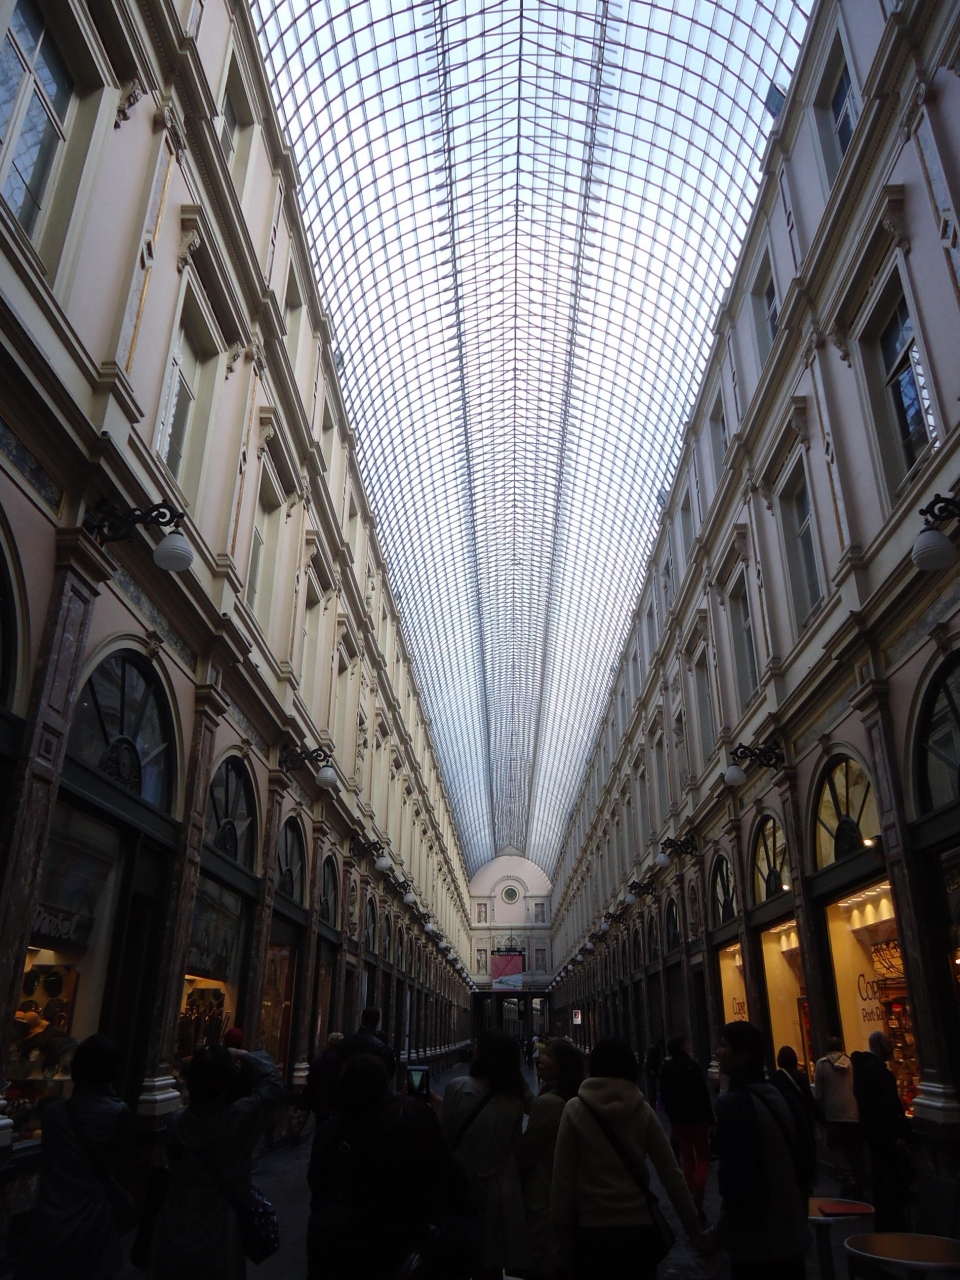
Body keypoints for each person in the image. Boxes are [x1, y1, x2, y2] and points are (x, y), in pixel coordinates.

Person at [308, 1052, 474, 1279]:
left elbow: (316, 1179)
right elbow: (459, 1196)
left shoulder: (330, 1229)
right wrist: (435, 1132)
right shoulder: (446, 1240)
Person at [551, 1037, 705, 1280]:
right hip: (638, 1231)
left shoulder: (575, 1110)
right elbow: (671, 1174)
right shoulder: (643, 1110)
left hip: (591, 1231)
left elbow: (562, 1178)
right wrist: (693, 1228)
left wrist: (558, 1235)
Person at [147, 1045, 283, 1279]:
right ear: (226, 1086)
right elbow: (273, 1083)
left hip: (173, 1228)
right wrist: (244, 1055)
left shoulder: (177, 1123)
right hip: (220, 1233)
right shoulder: (237, 1120)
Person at [701, 1022, 810, 1280]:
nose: (717, 1052)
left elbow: (737, 1183)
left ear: (743, 1055)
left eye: (723, 1046)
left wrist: (718, 1234)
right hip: (792, 1238)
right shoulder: (782, 1095)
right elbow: (805, 1164)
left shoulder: (734, 1106)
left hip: (757, 1246)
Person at [19, 1034, 133, 1280]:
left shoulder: (52, 1113)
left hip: (50, 1217)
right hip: (93, 1218)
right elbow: (120, 1159)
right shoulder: (116, 1112)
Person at [442, 1028, 531, 1280]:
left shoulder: (457, 1088)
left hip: (460, 1188)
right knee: (491, 1260)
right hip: (498, 1192)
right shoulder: (513, 1103)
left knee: (459, 1255)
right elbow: (516, 1149)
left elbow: (446, 1139)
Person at [516, 1038, 586, 1278]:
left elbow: (526, 1152)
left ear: (563, 1065)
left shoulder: (550, 1102)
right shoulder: (569, 1096)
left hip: (544, 1199)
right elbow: (540, 1108)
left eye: (550, 1056)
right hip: (569, 1198)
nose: (541, 1059)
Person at [852, 1031, 910, 1231]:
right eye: (887, 1043)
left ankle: (885, 1223)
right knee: (889, 1183)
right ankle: (892, 1225)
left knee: (882, 1182)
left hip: (876, 1136)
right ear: (876, 1045)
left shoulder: (865, 1069)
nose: (891, 1046)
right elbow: (885, 1107)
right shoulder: (876, 1071)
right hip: (886, 1139)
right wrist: (896, 1134)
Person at [657, 1034, 713, 1223]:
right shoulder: (693, 1066)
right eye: (686, 1043)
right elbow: (703, 1093)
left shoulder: (666, 1068)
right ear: (682, 1047)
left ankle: (690, 1195)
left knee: (688, 1159)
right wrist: (710, 1118)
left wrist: (671, 1115)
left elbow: (664, 1094)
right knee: (704, 1156)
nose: (689, 1045)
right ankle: (698, 1189)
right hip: (697, 1118)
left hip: (678, 1121)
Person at [814, 1035, 862, 1197]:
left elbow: (819, 1093)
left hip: (833, 1114)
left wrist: (820, 1113)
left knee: (835, 1146)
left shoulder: (822, 1064)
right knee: (852, 1149)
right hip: (852, 1113)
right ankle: (856, 1183)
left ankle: (847, 1177)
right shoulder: (851, 1063)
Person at [772, 1045, 821, 1159]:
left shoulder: (775, 1078)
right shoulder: (801, 1077)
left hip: (784, 1119)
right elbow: (809, 1100)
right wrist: (821, 1118)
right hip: (801, 1118)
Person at [340, 1007, 396, 1079]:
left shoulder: (346, 1043)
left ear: (362, 1020)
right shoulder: (381, 1048)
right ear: (377, 1022)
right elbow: (389, 1071)